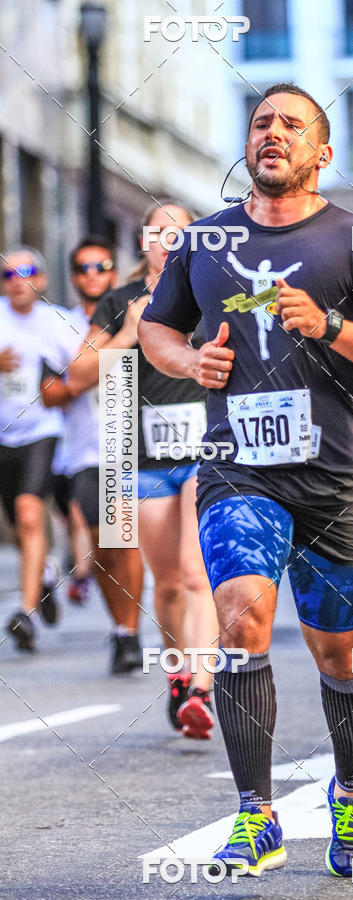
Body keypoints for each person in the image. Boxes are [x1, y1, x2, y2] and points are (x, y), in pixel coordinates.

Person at [138, 83, 353, 878]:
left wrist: (331, 325)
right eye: (262, 122)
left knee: (340, 657)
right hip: (240, 470)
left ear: (321, 152)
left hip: (337, 476)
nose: (273, 133)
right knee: (239, 621)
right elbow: (156, 326)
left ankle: (352, 791)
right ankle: (256, 814)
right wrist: (188, 360)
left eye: (292, 125)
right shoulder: (203, 241)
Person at [68, 204, 218, 734]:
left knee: (199, 574)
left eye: (180, 232)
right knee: (170, 581)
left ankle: (202, 688)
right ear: (143, 243)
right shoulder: (115, 301)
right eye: (159, 232)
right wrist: (127, 334)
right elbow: (78, 376)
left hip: (207, 454)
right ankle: (178, 675)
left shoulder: (213, 292)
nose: (168, 240)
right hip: (143, 461)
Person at [41, 236, 146, 673]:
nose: (92, 275)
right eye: (83, 269)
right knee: (103, 549)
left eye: (101, 266)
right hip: (84, 450)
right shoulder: (59, 326)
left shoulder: (136, 310)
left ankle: (129, 634)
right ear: (73, 277)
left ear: (113, 272)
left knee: (123, 538)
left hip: (128, 444)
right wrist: (86, 372)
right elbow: (52, 393)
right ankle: (121, 627)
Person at [0, 247, 65, 651]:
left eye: (26, 271)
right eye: (8, 274)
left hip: (43, 429)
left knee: (28, 513)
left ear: (40, 280)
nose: (17, 280)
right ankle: (44, 574)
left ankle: (26, 614)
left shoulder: (58, 322)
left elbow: (83, 369)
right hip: (3, 436)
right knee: (19, 527)